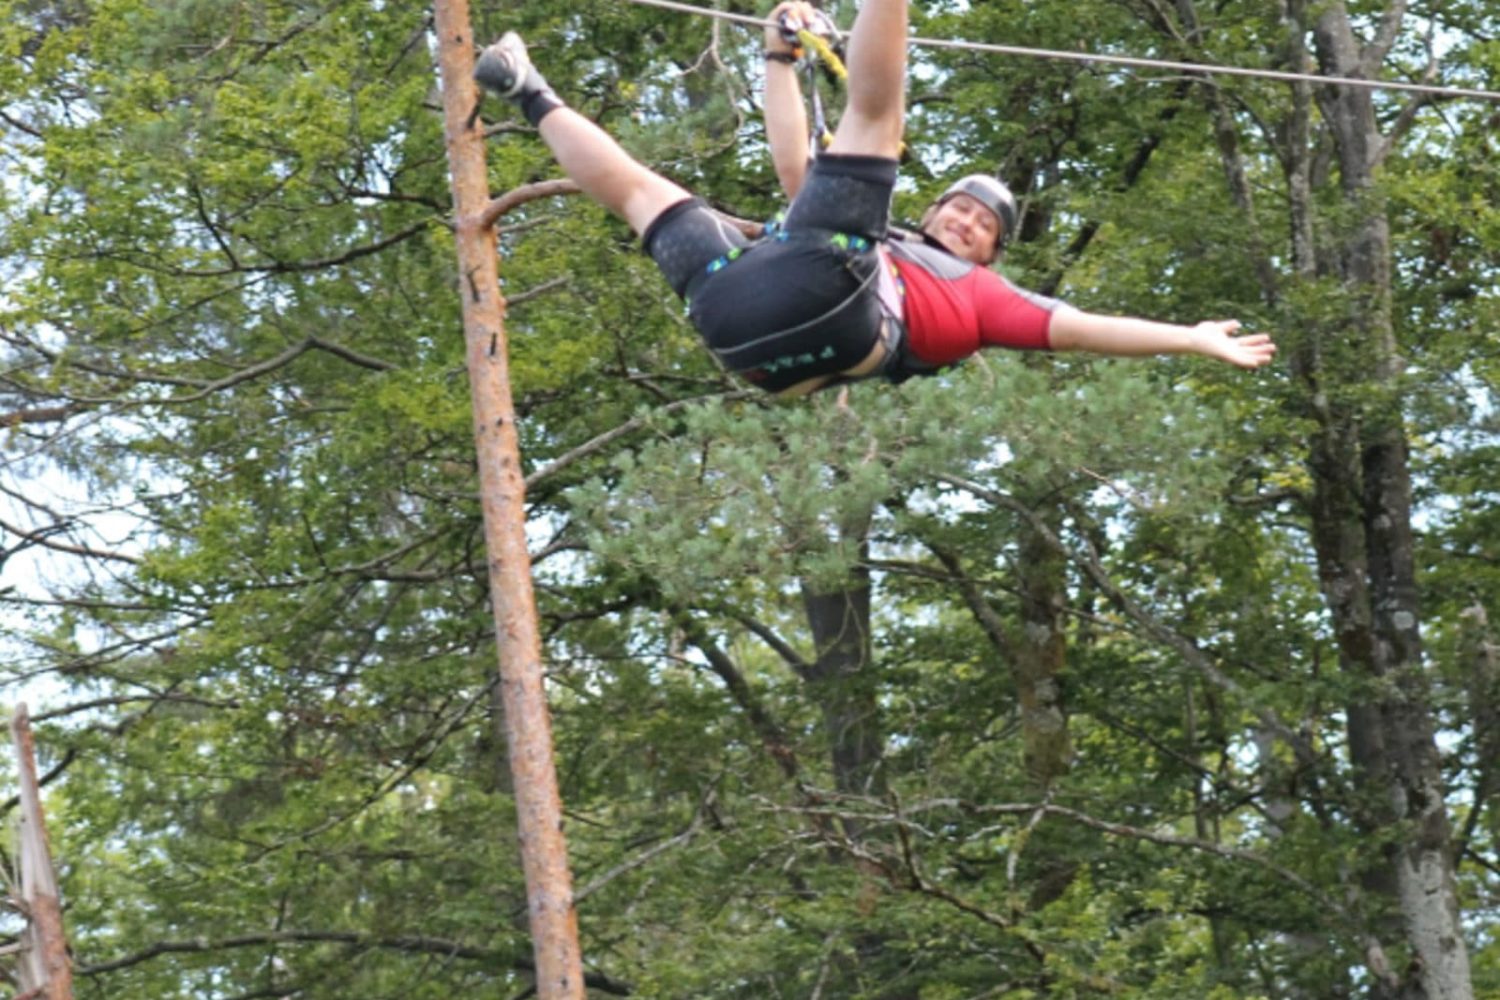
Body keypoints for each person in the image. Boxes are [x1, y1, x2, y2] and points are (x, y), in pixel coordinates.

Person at [473, 0, 1275, 397]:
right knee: (644, 196)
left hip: (822, 314)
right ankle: (528, 88)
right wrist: (778, 60)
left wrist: (1190, 339)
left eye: (985, 224)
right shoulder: (872, 242)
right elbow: (793, 167)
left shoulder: (981, 297)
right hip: (739, 331)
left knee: (876, 117)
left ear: (992, 254)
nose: (967, 219)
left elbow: (1086, 329)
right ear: (931, 218)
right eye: (960, 208)